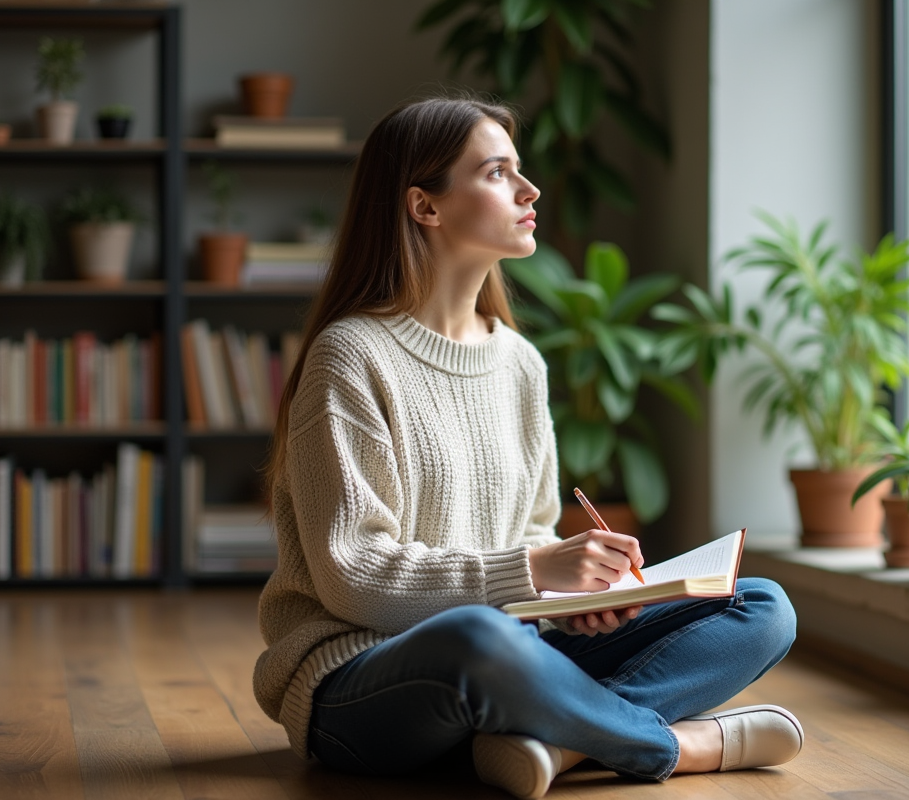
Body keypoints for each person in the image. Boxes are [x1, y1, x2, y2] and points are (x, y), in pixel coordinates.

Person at [253, 95, 801, 800]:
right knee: (481, 638)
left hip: (520, 646)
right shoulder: (349, 357)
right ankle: (669, 743)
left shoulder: (519, 363)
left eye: (521, 171)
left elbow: (533, 532)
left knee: (760, 606)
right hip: (363, 676)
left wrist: (577, 599)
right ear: (425, 206)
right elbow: (353, 577)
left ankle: (554, 741)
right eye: (497, 172)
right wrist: (537, 570)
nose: (530, 189)